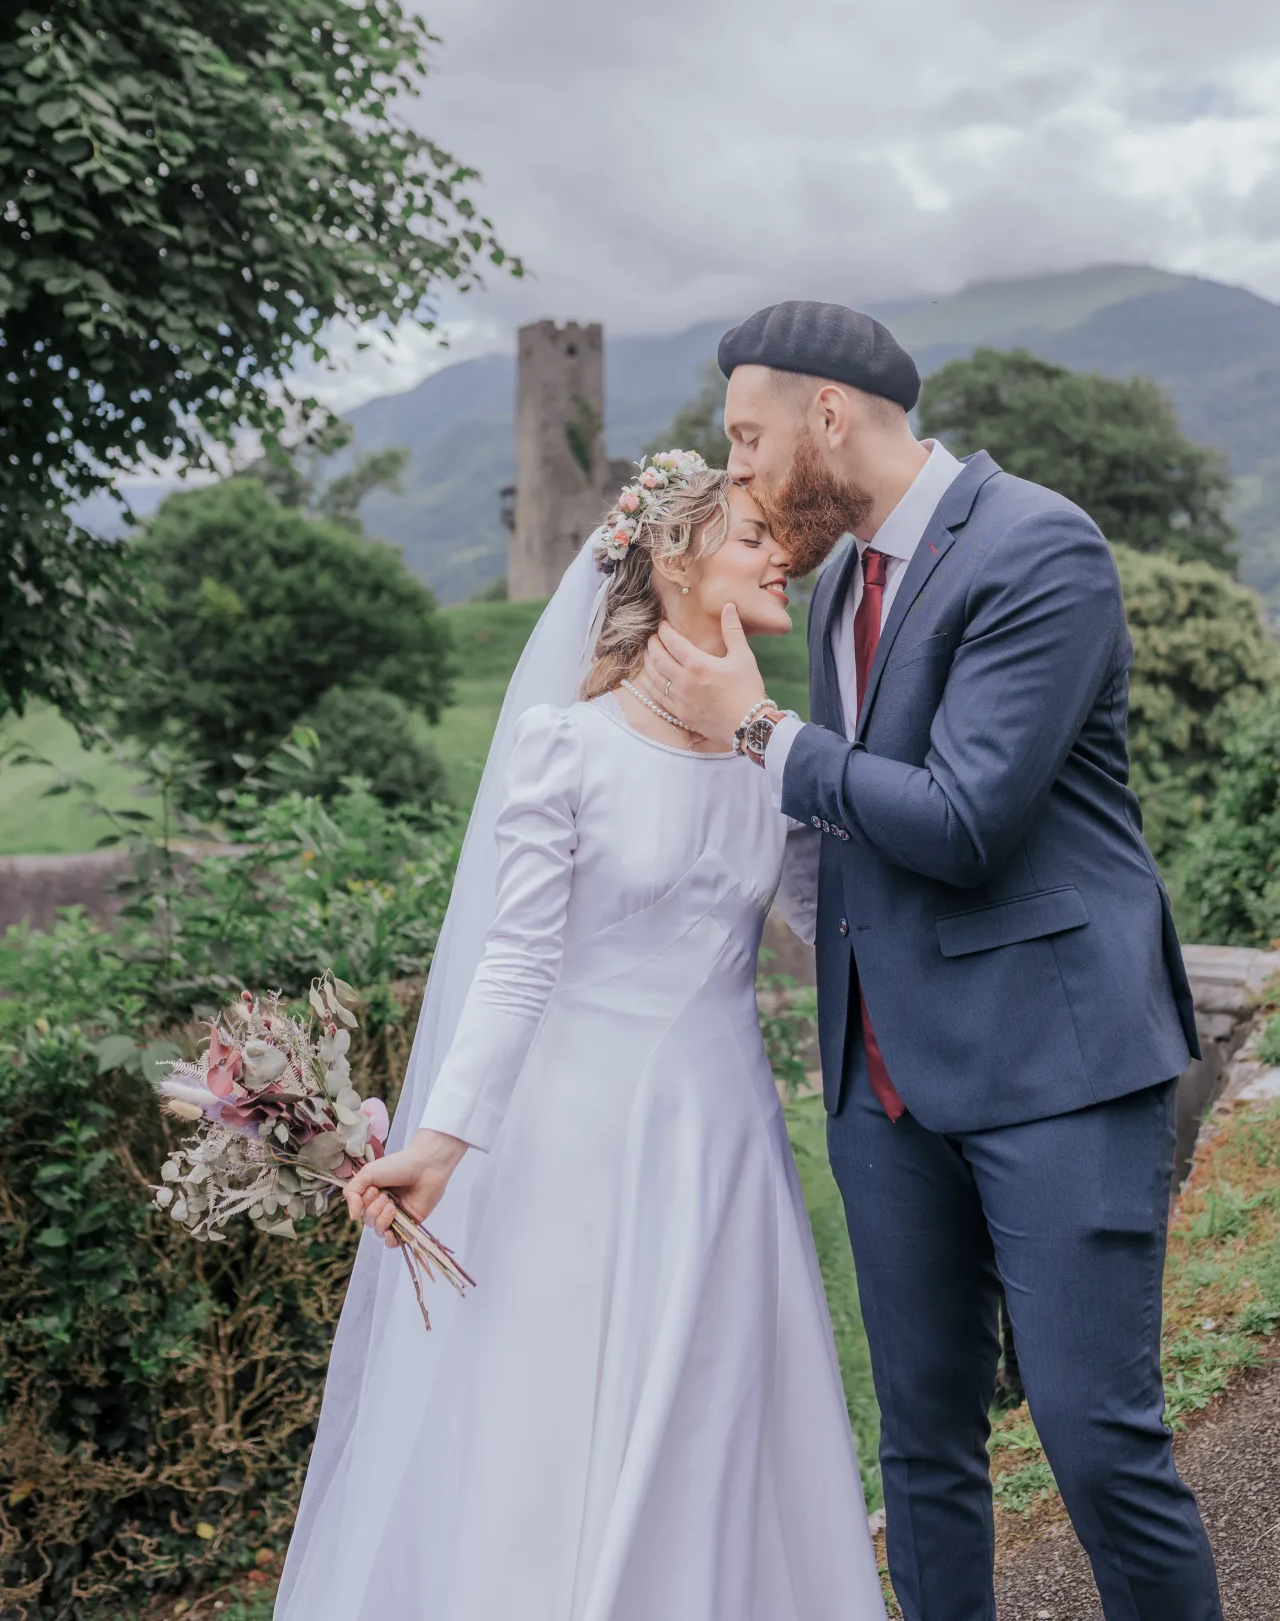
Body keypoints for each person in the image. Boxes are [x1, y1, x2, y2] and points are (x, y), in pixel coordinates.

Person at [645, 300, 1222, 1621]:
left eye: (747, 437)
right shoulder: (844, 572)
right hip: (882, 1079)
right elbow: (844, 832)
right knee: (920, 1451)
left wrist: (763, 736)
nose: (734, 469)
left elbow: (964, 822)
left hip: (1053, 1067)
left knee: (1097, 1444)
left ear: (828, 418)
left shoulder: (1040, 547)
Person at [274, 459, 886, 1621]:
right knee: (561, 1430)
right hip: (579, 1149)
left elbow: (825, 917)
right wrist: (442, 1140)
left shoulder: (771, 748)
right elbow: (515, 962)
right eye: (753, 534)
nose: (781, 557)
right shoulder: (569, 747)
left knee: (713, 1425)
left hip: (727, 1145)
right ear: (671, 560)